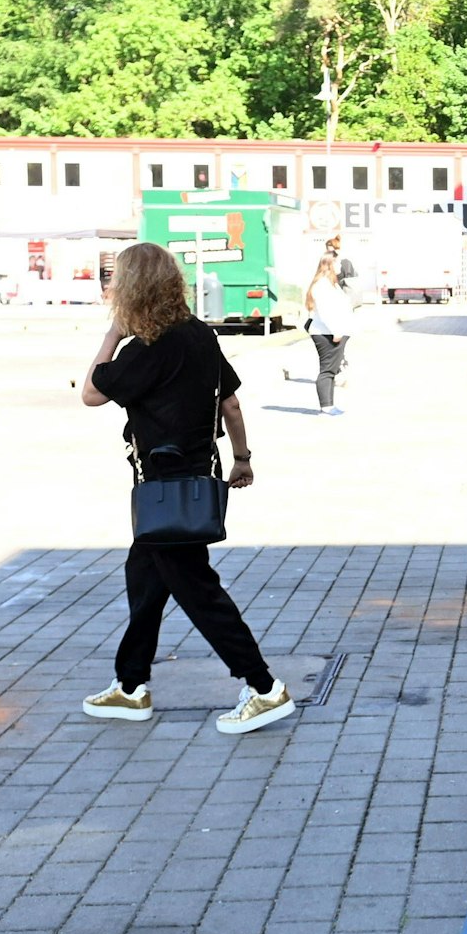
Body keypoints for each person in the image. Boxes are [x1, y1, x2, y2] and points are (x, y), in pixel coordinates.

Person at [80, 242, 296, 736]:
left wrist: (113, 334)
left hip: (164, 489)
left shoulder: (146, 349)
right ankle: (130, 687)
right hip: (197, 480)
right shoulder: (200, 335)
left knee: (199, 592)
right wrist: (241, 459)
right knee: (145, 580)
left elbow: (91, 393)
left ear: (133, 290)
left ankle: (264, 688)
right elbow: (232, 404)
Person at [303, 253, 350, 416]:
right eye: (337, 262)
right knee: (327, 369)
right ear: (329, 264)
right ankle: (326, 406)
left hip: (333, 331)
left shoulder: (331, 283)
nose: (340, 265)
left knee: (332, 369)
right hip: (326, 333)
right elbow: (325, 311)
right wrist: (336, 330)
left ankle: (329, 405)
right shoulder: (322, 285)